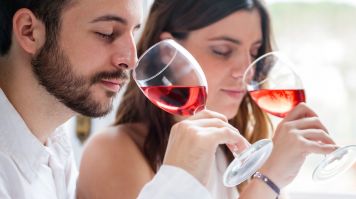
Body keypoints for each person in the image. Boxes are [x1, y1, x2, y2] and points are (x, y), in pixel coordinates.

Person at [77, 0, 338, 198]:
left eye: (255, 52)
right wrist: (270, 178)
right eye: (222, 51)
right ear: (169, 54)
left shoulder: (228, 150)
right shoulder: (113, 151)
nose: (245, 70)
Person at [0, 0, 248, 198]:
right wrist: (179, 181)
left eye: (134, 33)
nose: (132, 60)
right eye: (106, 33)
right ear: (29, 31)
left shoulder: (53, 148)